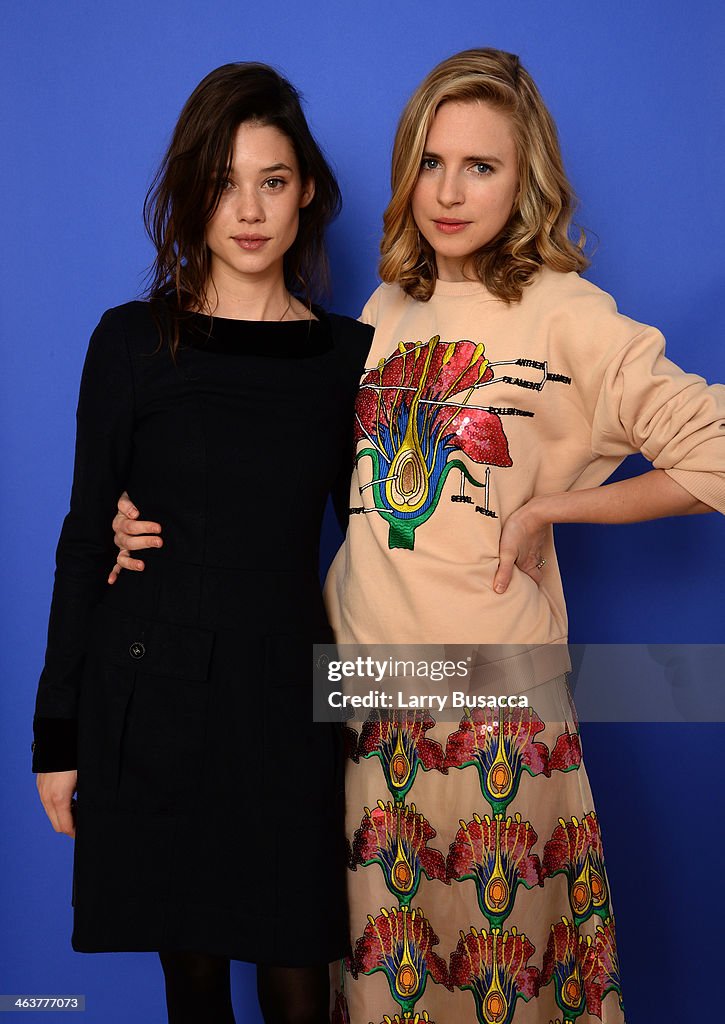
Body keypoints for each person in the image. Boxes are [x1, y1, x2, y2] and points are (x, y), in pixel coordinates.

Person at [111, 49, 725, 1023]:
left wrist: (546, 509)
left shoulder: (567, 316)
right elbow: (289, 466)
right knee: (384, 990)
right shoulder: (388, 308)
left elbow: (714, 451)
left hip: (486, 699)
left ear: (525, 179)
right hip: (356, 702)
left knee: (497, 986)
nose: (447, 191)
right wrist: (142, 510)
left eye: (479, 166)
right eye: (429, 162)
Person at [32, 63, 372, 1024]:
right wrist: (55, 739)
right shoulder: (132, 341)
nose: (250, 210)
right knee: (192, 988)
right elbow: (78, 540)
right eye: (224, 183)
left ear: (306, 189)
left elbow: (383, 542)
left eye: (271, 180)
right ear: (191, 194)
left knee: (301, 982)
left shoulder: (349, 356)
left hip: (286, 698)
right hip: (154, 694)